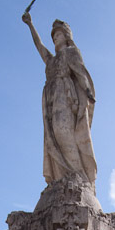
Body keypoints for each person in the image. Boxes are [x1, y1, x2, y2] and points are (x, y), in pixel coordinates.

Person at [22, 13, 97, 187]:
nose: (55, 38)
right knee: (53, 137)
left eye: (59, 34)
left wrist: (87, 93)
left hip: (67, 96)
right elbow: (39, 46)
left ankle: (80, 178)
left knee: (64, 133)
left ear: (66, 35)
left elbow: (81, 73)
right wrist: (30, 25)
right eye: (54, 36)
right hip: (51, 100)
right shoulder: (51, 60)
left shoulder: (71, 52)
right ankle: (61, 179)